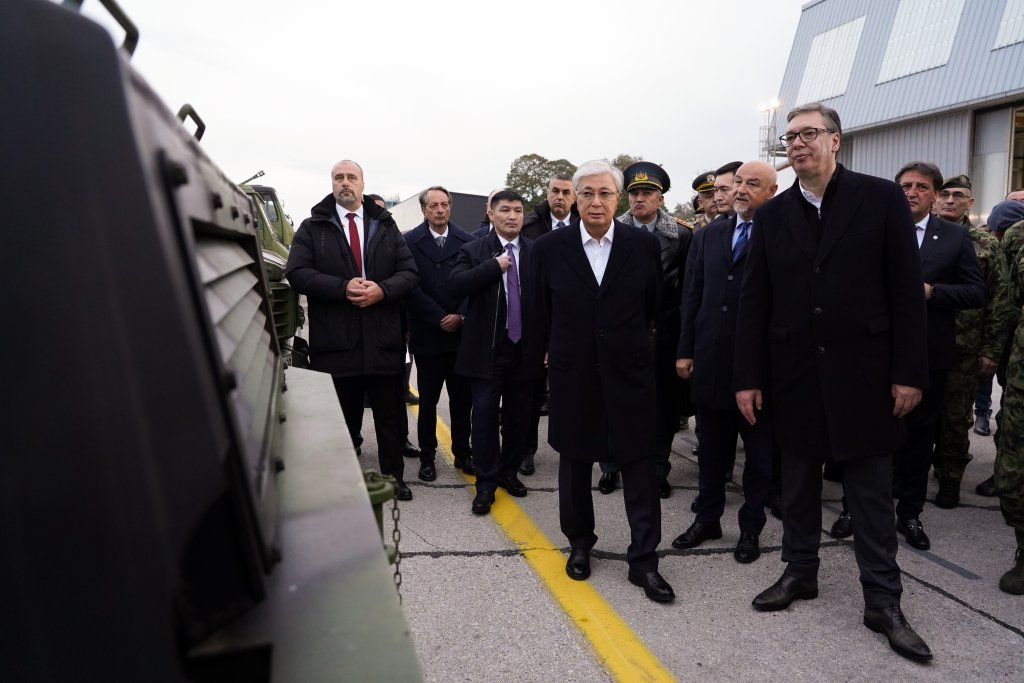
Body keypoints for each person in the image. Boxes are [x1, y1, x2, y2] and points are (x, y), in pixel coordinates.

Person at [734, 103, 932, 661]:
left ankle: (883, 601)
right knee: (797, 487)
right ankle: (800, 572)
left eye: (808, 134)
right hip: (793, 373)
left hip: (866, 375)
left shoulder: (880, 198)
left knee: (870, 495)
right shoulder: (773, 215)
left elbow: (905, 291)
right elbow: (755, 300)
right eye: (790, 136)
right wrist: (747, 377)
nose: (797, 143)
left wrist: (908, 374)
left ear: (836, 140)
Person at [533, 159, 673, 603]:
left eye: (605, 193)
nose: (596, 201)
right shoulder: (548, 249)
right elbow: (541, 312)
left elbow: (652, 305)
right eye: (587, 193)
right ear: (575, 198)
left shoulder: (642, 245)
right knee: (575, 463)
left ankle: (644, 559)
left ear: (618, 198)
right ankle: (579, 544)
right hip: (573, 374)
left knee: (639, 465)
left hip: (629, 372)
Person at [286, 160, 419, 500]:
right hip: (336, 343)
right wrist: (342, 287)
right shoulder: (313, 227)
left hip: (382, 340)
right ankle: (340, 483)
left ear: (362, 184)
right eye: (338, 177)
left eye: (351, 177)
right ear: (332, 183)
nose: (345, 182)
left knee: (389, 417)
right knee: (341, 421)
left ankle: (394, 478)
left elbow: (409, 273)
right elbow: (297, 272)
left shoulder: (385, 226)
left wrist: (382, 291)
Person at [674, 160, 777, 563]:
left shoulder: (780, 233)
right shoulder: (708, 235)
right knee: (712, 452)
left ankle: (750, 528)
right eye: (735, 184)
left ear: (770, 192)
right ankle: (707, 519)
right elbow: (692, 295)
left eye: (749, 184)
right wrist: (685, 350)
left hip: (760, 368)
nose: (738, 191)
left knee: (759, 459)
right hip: (711, 361)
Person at [596, 162, 692, 499]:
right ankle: (610, 466)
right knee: (614, 402)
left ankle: (658, 469)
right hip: (621, 330)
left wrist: (684, 343)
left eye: (647, 193)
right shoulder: (610, 230)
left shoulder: (681, 236)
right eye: (634, 192)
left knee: (662, 407)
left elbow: (687, 291)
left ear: (660, 198)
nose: (640, 198)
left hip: (664, 333)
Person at [448, 190, 543, 515]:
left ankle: (508, 472)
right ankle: (486, 483)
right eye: (505, 210)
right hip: (487, 350)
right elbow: (455, 285)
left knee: (518, 417)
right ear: (491, 213)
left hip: (525, 349)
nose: (512, 216)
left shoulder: (535, 251)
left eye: (517, 210)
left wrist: (547, 345)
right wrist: (493, 266)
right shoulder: (473, 249)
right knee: (485, 416)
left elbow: (549, 299)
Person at [932, 176, 1012, 508]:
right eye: (945, 194)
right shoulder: (919, 236)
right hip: (923, 344)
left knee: (955, 418)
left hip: (965, 349)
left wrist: (992, 349)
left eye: (958, 196)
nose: (950, 201)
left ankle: (950, 478)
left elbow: (1000, 300)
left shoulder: (985, 244)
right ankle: (906, 473)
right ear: (936, 199)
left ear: (970, 202)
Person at [404, 186, 476, 481]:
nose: (440, 210)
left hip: (460, 336)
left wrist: (461, 315)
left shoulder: (468, 241)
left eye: (444, 204)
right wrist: (437, 318)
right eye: (433, 206)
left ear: (450, 207)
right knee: (428, 401)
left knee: (462, 401)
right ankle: (427, 457)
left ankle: (463, 452)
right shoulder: (409, 242)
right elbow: (410, 285)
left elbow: (475, 285)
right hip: (428, 334)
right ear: (424, 210)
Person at [520, 175, 579, 475]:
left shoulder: (585, 224)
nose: (560, 197)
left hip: (574, 322)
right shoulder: (530, 227)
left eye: (566, 192)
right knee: (532, 394)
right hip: (537, 318)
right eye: (555, 191)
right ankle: (526, 450)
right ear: (547, 193)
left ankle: (575, 450)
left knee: (573, 393)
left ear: (574, 196)